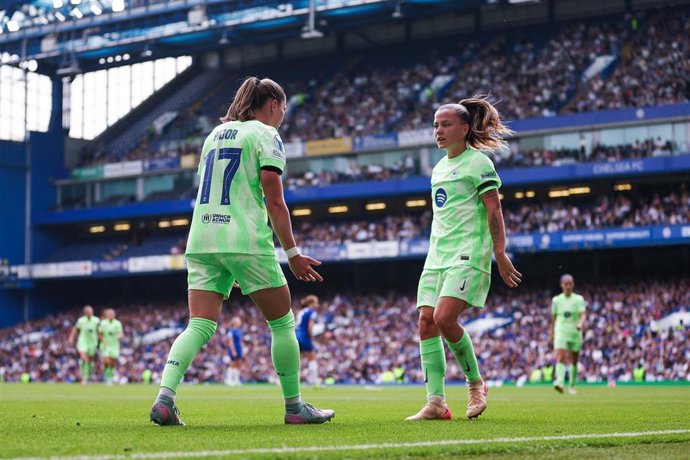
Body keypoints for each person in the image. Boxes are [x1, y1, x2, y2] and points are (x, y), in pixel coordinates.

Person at [149, 76, 335, 426]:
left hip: (203, 239)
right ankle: (295, 408)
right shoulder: (265, 134)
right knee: (282, 322)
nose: (283, 115)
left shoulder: (213, 136)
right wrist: (292, 252)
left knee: (199, 325)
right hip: (244, 239)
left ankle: (165, 397)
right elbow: (275, 200)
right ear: (273, 105)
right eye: (283, 109)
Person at [406, 96, 522, 421]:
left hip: (467, 253)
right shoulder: (439, 168)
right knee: (426, 323)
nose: (438, 131)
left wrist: (499, 253)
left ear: (465, 128)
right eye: (435, 125)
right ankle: (436, 403)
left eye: (445, 125)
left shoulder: (479, 163)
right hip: (436, 256)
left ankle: (475, 384)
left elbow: (494, 210)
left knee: (444, 318)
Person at [550, 274, 586, 394]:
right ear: (561, 285)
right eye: (566, 284)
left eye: (570, 284)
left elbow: (583, 315)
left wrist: (581, 323)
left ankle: (572, 385)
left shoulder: (579, 299)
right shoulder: (556, 300)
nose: (568, 286)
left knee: (574, 360)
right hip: (561, 331)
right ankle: (560, 382)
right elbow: (554, 318)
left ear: (573, 284)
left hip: (575, 332)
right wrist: (552, 333)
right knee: (560, 356)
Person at [68, 305, 100, 385]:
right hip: (83, 341)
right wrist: (71, 337)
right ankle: (84, 377)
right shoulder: (81, 320)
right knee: (83, 358)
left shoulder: (96, 320)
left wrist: (101, 340)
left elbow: (99, 331)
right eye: (88, 312)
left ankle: (89, 375)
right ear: (85, 313)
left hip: (93, 342)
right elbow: (75, 329)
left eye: (91, 311)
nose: (90, 313)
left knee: (90, 360)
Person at [296, 295, 320, 386]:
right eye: (316, 302)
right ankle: (314, 381)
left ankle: (295, 381)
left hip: (296, 336)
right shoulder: (311, 312)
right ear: (311, 303)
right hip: (304, 337)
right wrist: (311, 338)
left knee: (297, 360)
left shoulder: (301, 311)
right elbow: (310, 326)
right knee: (312, 358)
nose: (318, 304)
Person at [98, 308, 124, 385]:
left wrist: (119, 336)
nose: (110, 316)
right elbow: (99, 333)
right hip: (105, 346)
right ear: (106, 315)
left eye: (112, 314)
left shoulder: (117, 323)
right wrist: (103, 342)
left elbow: (120, 333)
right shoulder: (103, 323)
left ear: (114, 315)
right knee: (106, 361)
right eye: (109, 314)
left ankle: (110, 377)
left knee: (112, 363)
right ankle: (107, 377)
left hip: (114, 346)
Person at [225, 316, 243, 386]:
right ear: (235, 322)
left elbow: (240, 341)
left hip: (239, 349)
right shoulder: (231, 330)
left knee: (238, 364)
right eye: (239, 321)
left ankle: (236, 380)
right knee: (232, 364)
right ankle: (229, 380)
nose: (240, 322)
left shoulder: (238, 330)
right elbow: (230, 341)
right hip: (234, 349)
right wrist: (233, 351)